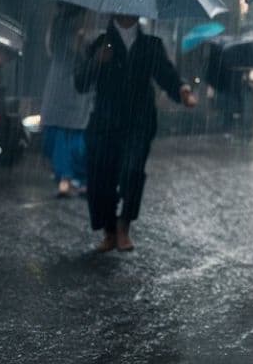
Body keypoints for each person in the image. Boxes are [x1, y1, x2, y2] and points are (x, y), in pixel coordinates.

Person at [75, 15, 196, 252]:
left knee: (133, 171)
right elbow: (80, 83)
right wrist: (96, 62)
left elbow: (166, 73)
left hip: (139, 121)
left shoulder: (150, 44)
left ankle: (124, 226)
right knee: (102, 177)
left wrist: (182, 89)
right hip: (106, 121)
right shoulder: (101, 42)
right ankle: (109, 231)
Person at [39, 3, 93, 197]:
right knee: (68, 134)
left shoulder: (63, 30)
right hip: (68, 86)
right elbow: (77, 54)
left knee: (68, 135)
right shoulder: (63, 30)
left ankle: (69, 177)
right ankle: (69, 177)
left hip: (68, 88)